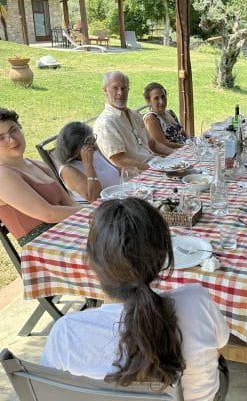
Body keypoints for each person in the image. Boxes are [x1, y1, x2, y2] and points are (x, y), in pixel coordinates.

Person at [42, 198, 230, 401]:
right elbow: (220, 344)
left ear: (93, 263)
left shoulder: (67, 333)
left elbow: (49, 393)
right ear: (163, 257)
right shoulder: (196, 301)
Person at [0, 108, 80, 246]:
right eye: (1, 137)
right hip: (45, 249)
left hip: (72, 232)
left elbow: (70, 203)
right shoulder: (2, 175)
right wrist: (94, 211)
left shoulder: (38, 165)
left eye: (13, 130)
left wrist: (94, 213)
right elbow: (48, 214)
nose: (12, 140)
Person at [94, 71, 174, 171]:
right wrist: (152, 169)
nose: (120, 92)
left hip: (156, 163)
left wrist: (176, 154)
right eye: (115, 88)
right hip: (138, 175)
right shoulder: (105, 123)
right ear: (105, 90)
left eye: (124, 88)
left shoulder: (134, 115)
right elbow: (119, 160)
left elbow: (152, 144)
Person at [55, 122, 120, 203]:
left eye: (92, 140)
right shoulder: (67, 170)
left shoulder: (94, 152)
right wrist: (88, 164)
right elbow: (94, 198)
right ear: (74, 149)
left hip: (118, 197)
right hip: (103, 208)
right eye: (87, 143)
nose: (92, 145)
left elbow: (116, 172)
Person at [143, 82, 187, 149]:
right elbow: (162, 144)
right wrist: (186, 147)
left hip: (185, 148)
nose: (161, 101)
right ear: (149, 101)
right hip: (172, 154)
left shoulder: (170, 113)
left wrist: (193, 142)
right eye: (156, 98)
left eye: (163, 97)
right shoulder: (151, 118)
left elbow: (183, 134)